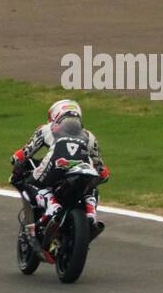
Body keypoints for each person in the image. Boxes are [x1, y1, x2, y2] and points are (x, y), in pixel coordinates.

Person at [9, 99, 110, 240]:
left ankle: (52, 206)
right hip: (83, 168)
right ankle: (91, 214)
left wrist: (15, 159)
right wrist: (102, 174)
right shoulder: (89, 136)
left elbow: (24, 153)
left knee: (32, 183)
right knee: (91, 187)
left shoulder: (47, 128)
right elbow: (101, 168)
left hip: (57, 164)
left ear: (55, 115)